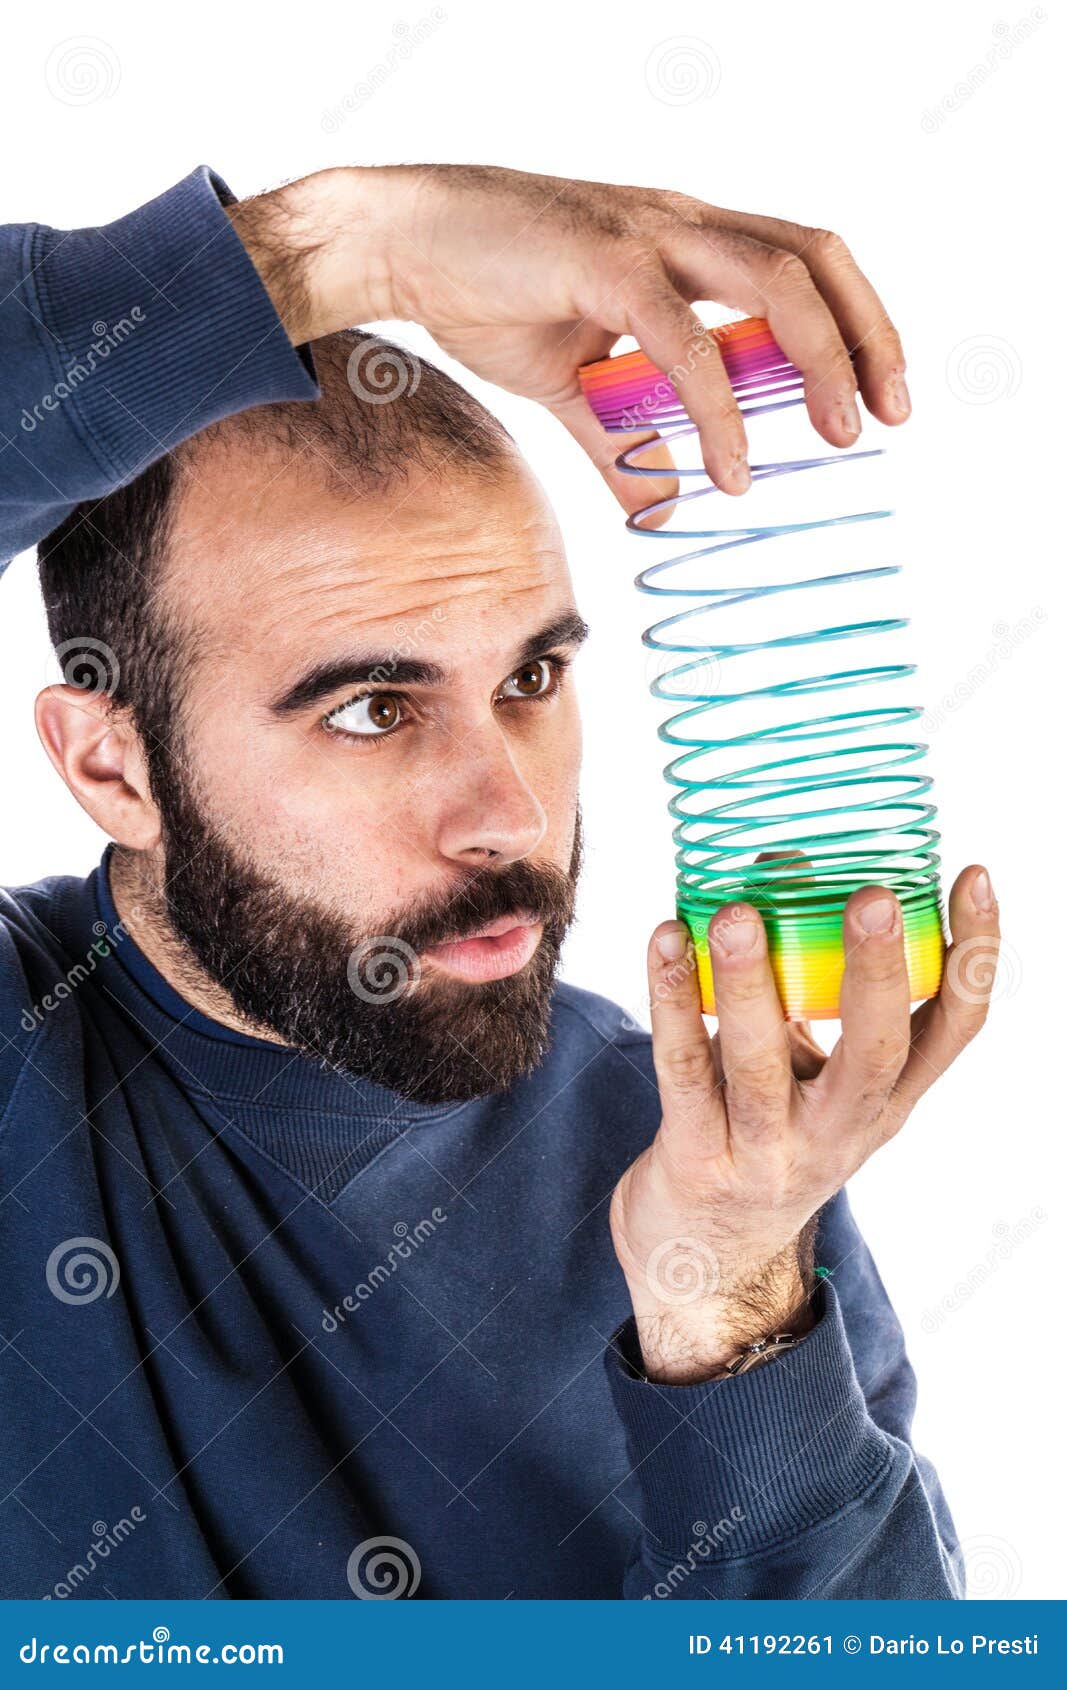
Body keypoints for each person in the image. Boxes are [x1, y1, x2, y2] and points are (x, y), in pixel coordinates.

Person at [0, 163, 997, 1600]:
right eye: (374, 709)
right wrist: (356, 247)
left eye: (531, 679)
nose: (512, 814)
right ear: (112, 767)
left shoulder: (701, 1155)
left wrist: (727, 1319)